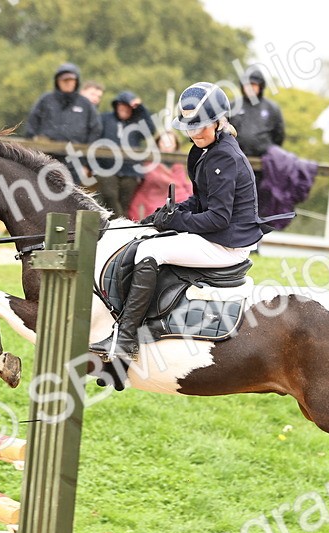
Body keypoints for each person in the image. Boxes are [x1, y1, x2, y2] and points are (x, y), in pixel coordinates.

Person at [89, 82, 263, 360]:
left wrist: (177, 221)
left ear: (219, 121)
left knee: (149, 251)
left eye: (201, 126)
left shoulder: (225, 156)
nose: (195, 133)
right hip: (217, 235)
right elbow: (199, 200)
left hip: (227, 244)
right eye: (190, 127)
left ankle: (126, 338)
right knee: (145, 238)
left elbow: (218, 218)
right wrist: (167, 213)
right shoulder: (204, 151)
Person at [26, 62, 102, 184]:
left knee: (71, 192)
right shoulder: (46, 100)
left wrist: (85, 162)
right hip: (46, 158)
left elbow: (95, 130)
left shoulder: (85, 104)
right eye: (64, 80)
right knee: (42, 190)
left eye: (71, 80)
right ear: (58, 81)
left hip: (74, 159)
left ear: (76, 82)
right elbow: (31, 126)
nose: (68, 83)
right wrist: (35, 151)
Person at [94, 91, 155, 218]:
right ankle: (120, 222)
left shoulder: (137, 124)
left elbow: (150, 131)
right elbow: (93, 138)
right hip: (106, 167)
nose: (124, 109)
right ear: (116, 105)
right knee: (109, 195)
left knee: (124, 202)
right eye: (122, 105)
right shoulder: (105, 119)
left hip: (130, 170)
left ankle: (119, 225)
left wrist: (140, 108)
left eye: (128, 107)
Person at [127, 131, 193, 221]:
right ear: (158, 144)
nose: (167, 145)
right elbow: (152, 180)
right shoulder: (149, 162)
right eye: (164, 142)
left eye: (170, 142)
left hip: (178, 196)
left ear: (175, 145)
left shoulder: (179, 163)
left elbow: (183, 182)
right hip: (153, 198)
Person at [228, 68, 285, 159]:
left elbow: (279, 135)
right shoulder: (232, 106)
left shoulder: (271, 108)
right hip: (236, 159)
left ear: (260, 86)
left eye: (253, 84)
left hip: (264, 161)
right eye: (247, 85)